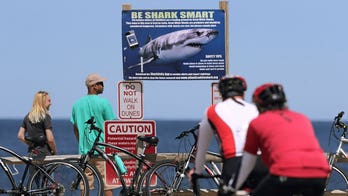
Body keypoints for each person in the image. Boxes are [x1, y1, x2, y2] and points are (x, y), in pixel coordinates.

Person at [233, 83, 331, 196]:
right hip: (319, 173)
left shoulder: (257, 122)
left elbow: (247, 162)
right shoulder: (302, 118)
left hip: (286, 172)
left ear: (259, 105)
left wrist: (232, 188)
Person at [191, 75, 267, 195]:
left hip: (234, 162)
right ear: (243, 93)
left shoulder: (212, 111)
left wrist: (197, 171)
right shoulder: (256, 109)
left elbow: (202, 147)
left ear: (221, 93)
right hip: (261, 162)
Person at [71, 73, 115, 196]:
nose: (103, 86)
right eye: (101, 83)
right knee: (106, 184)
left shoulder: (77, 104)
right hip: (102, 149)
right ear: (94, 86)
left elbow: (75, 128)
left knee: (85, 184)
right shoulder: (104, 103)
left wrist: (82, 142)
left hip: (84, 151)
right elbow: (112, 126)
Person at [18, 91, 57, 159]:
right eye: (49, 101)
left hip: (32, 153)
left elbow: (20, 136)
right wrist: (55, 152)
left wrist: (31, 144)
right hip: (44, 154)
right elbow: (50, 139)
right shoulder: (45, 116)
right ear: (42, 102)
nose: (51, 103)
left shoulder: (28, 116)